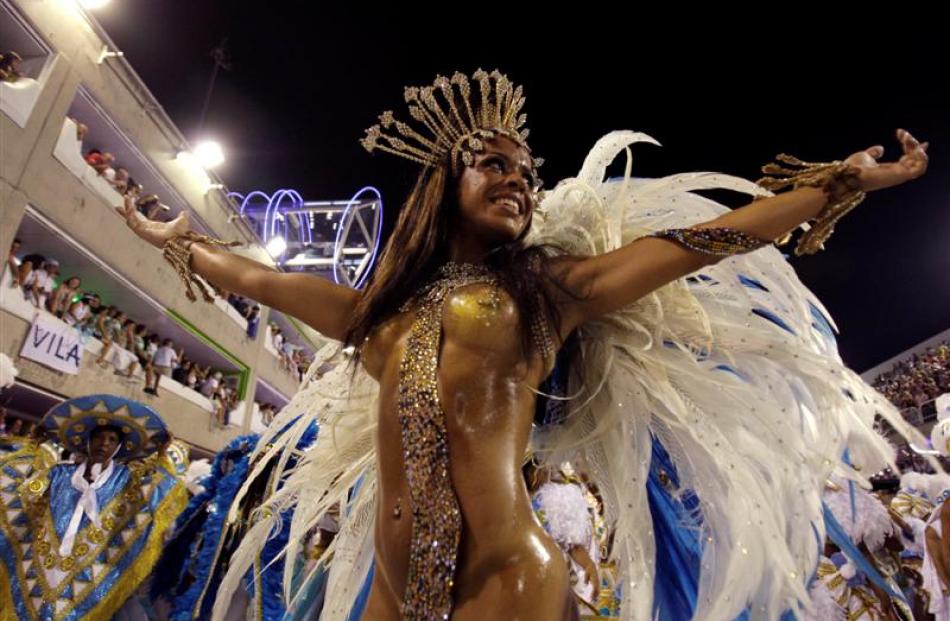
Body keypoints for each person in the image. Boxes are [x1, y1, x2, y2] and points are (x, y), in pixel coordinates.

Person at [117, 70, 930, 621]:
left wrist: (838, 182)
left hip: (506, 577)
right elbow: (260, 280)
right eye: (494, 164)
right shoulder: (383, 317)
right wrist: (178, 242)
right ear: (445, 181)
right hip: (392, 590)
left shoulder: (546, 290)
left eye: (526, 170)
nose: (518, 179)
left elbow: (701, 237)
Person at [0, 394, 187, 620]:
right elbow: (19, 486)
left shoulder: (126, 482)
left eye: (111, 439)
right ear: (88, 441)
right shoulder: (59, 474)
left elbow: (159, 490)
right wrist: (34, 447)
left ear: (119, 447)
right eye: (99, 437)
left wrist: (161, 454)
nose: (104, 444)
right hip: (41, 568)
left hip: (89, 573)